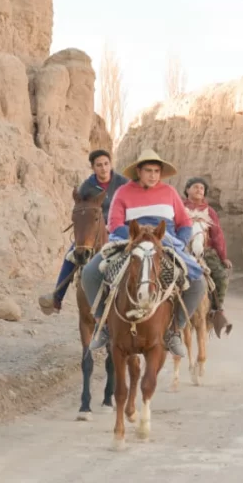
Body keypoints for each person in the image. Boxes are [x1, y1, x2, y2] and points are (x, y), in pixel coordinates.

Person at [80, 149, 207, 358]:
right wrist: (136, 237)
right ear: (138, 171)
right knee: (90, 272)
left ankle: (175, 330)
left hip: (165, 240)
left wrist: (181, 242)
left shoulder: (170, 193)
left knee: (198, 281)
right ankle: (102, 325)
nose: (153, 175)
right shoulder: (123, 192)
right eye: (148, 170)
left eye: (157, 171)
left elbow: (185, 223)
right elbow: (114, 224)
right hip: (129, 239)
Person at [38, 149, 129, 316]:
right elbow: (82, 209)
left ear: (111, 164)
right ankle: (57, 296)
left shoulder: (123, 183)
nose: (103, 168)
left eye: (106, 164)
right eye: (99, 165)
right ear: (93, 167)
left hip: (120, 227)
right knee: (72, 253)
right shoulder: (87, 186)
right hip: (94, 229)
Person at [182, 177, 233, 336]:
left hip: (207, 251)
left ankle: (217, 310)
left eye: (202, 188)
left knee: (221, 276)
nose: (199, 190)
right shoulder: (180, 208)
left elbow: (217, 235)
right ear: (187, 189)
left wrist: (223, 256)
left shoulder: (210, 211)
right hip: (183, 249)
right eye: (195, 187)